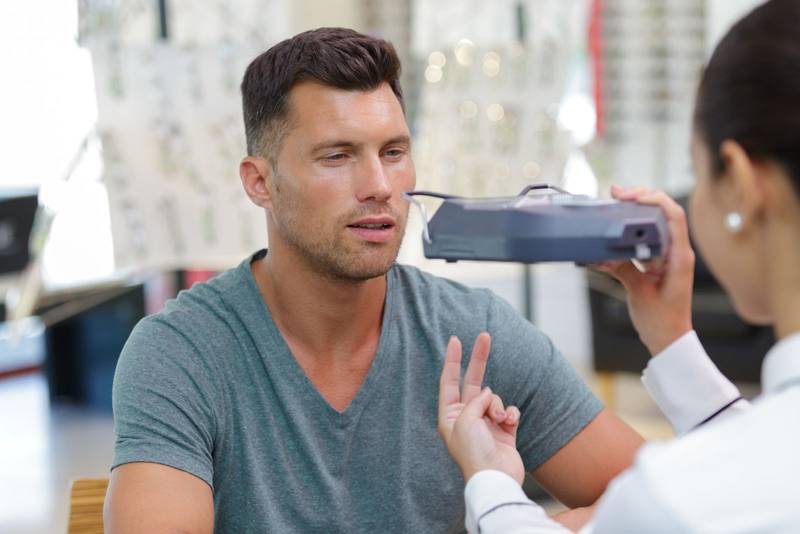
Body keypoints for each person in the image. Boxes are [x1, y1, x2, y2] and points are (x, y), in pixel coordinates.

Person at [103, 28, 645, 533]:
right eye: (337, 156)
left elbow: (661, 502)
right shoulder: (182, 353)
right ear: (260, 182)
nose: (380, 185)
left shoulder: (475, 333)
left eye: (393, 152)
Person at [438, 0, 800, 532]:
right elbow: (761, 454)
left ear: (741, 187)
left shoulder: (670, 500)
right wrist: (672, 339)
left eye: (695, 171)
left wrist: (490, 481)